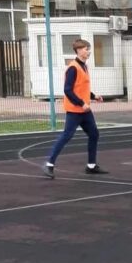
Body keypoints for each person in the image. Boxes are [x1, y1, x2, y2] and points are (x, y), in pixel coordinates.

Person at [43, 38, 108, 178]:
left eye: (88, 49)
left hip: (85, 111)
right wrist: (81, 103)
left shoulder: (84, 66)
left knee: (94, 134)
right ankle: (49, 164)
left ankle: (91, 166)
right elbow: (68, 90)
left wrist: (94, 96)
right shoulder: (73, 68)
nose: (89, 51)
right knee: (66, 136)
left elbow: (81, 88)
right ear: (78, 50)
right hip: (75, 110)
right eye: (86, 49)